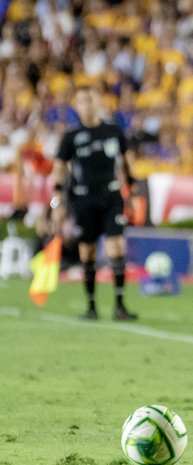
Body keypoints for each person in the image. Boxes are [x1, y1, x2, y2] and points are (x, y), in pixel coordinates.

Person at [49, 85, 137, 321]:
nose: (87, 105)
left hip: (110, 196)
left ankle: (120, 305)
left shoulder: (113, 130)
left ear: (98, 102)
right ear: (76, 106)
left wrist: (133, 193)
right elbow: (59, 168)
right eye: (82, 101)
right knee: (87, 251)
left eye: (90, 100)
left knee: (116, 246)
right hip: (83, 198)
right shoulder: (71, 135)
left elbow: (127, 161)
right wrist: (57, 202)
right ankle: (91, 306)